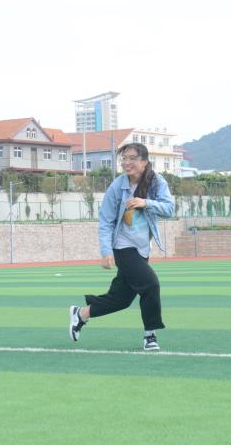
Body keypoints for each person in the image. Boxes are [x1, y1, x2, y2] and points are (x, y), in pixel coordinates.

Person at [69, 142, 175, 351]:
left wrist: (145, 202)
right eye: (124, 159)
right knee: (151, 284)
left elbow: (169, 208)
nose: (127, 163)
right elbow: (106, 221)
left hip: (142, 248)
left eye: (132, 158)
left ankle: (81, 314)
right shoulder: (117, 186)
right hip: (123, 246)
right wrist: (106, 251)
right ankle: (150, 335)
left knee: (121, 299)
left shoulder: (156, 182)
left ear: (144, 162)